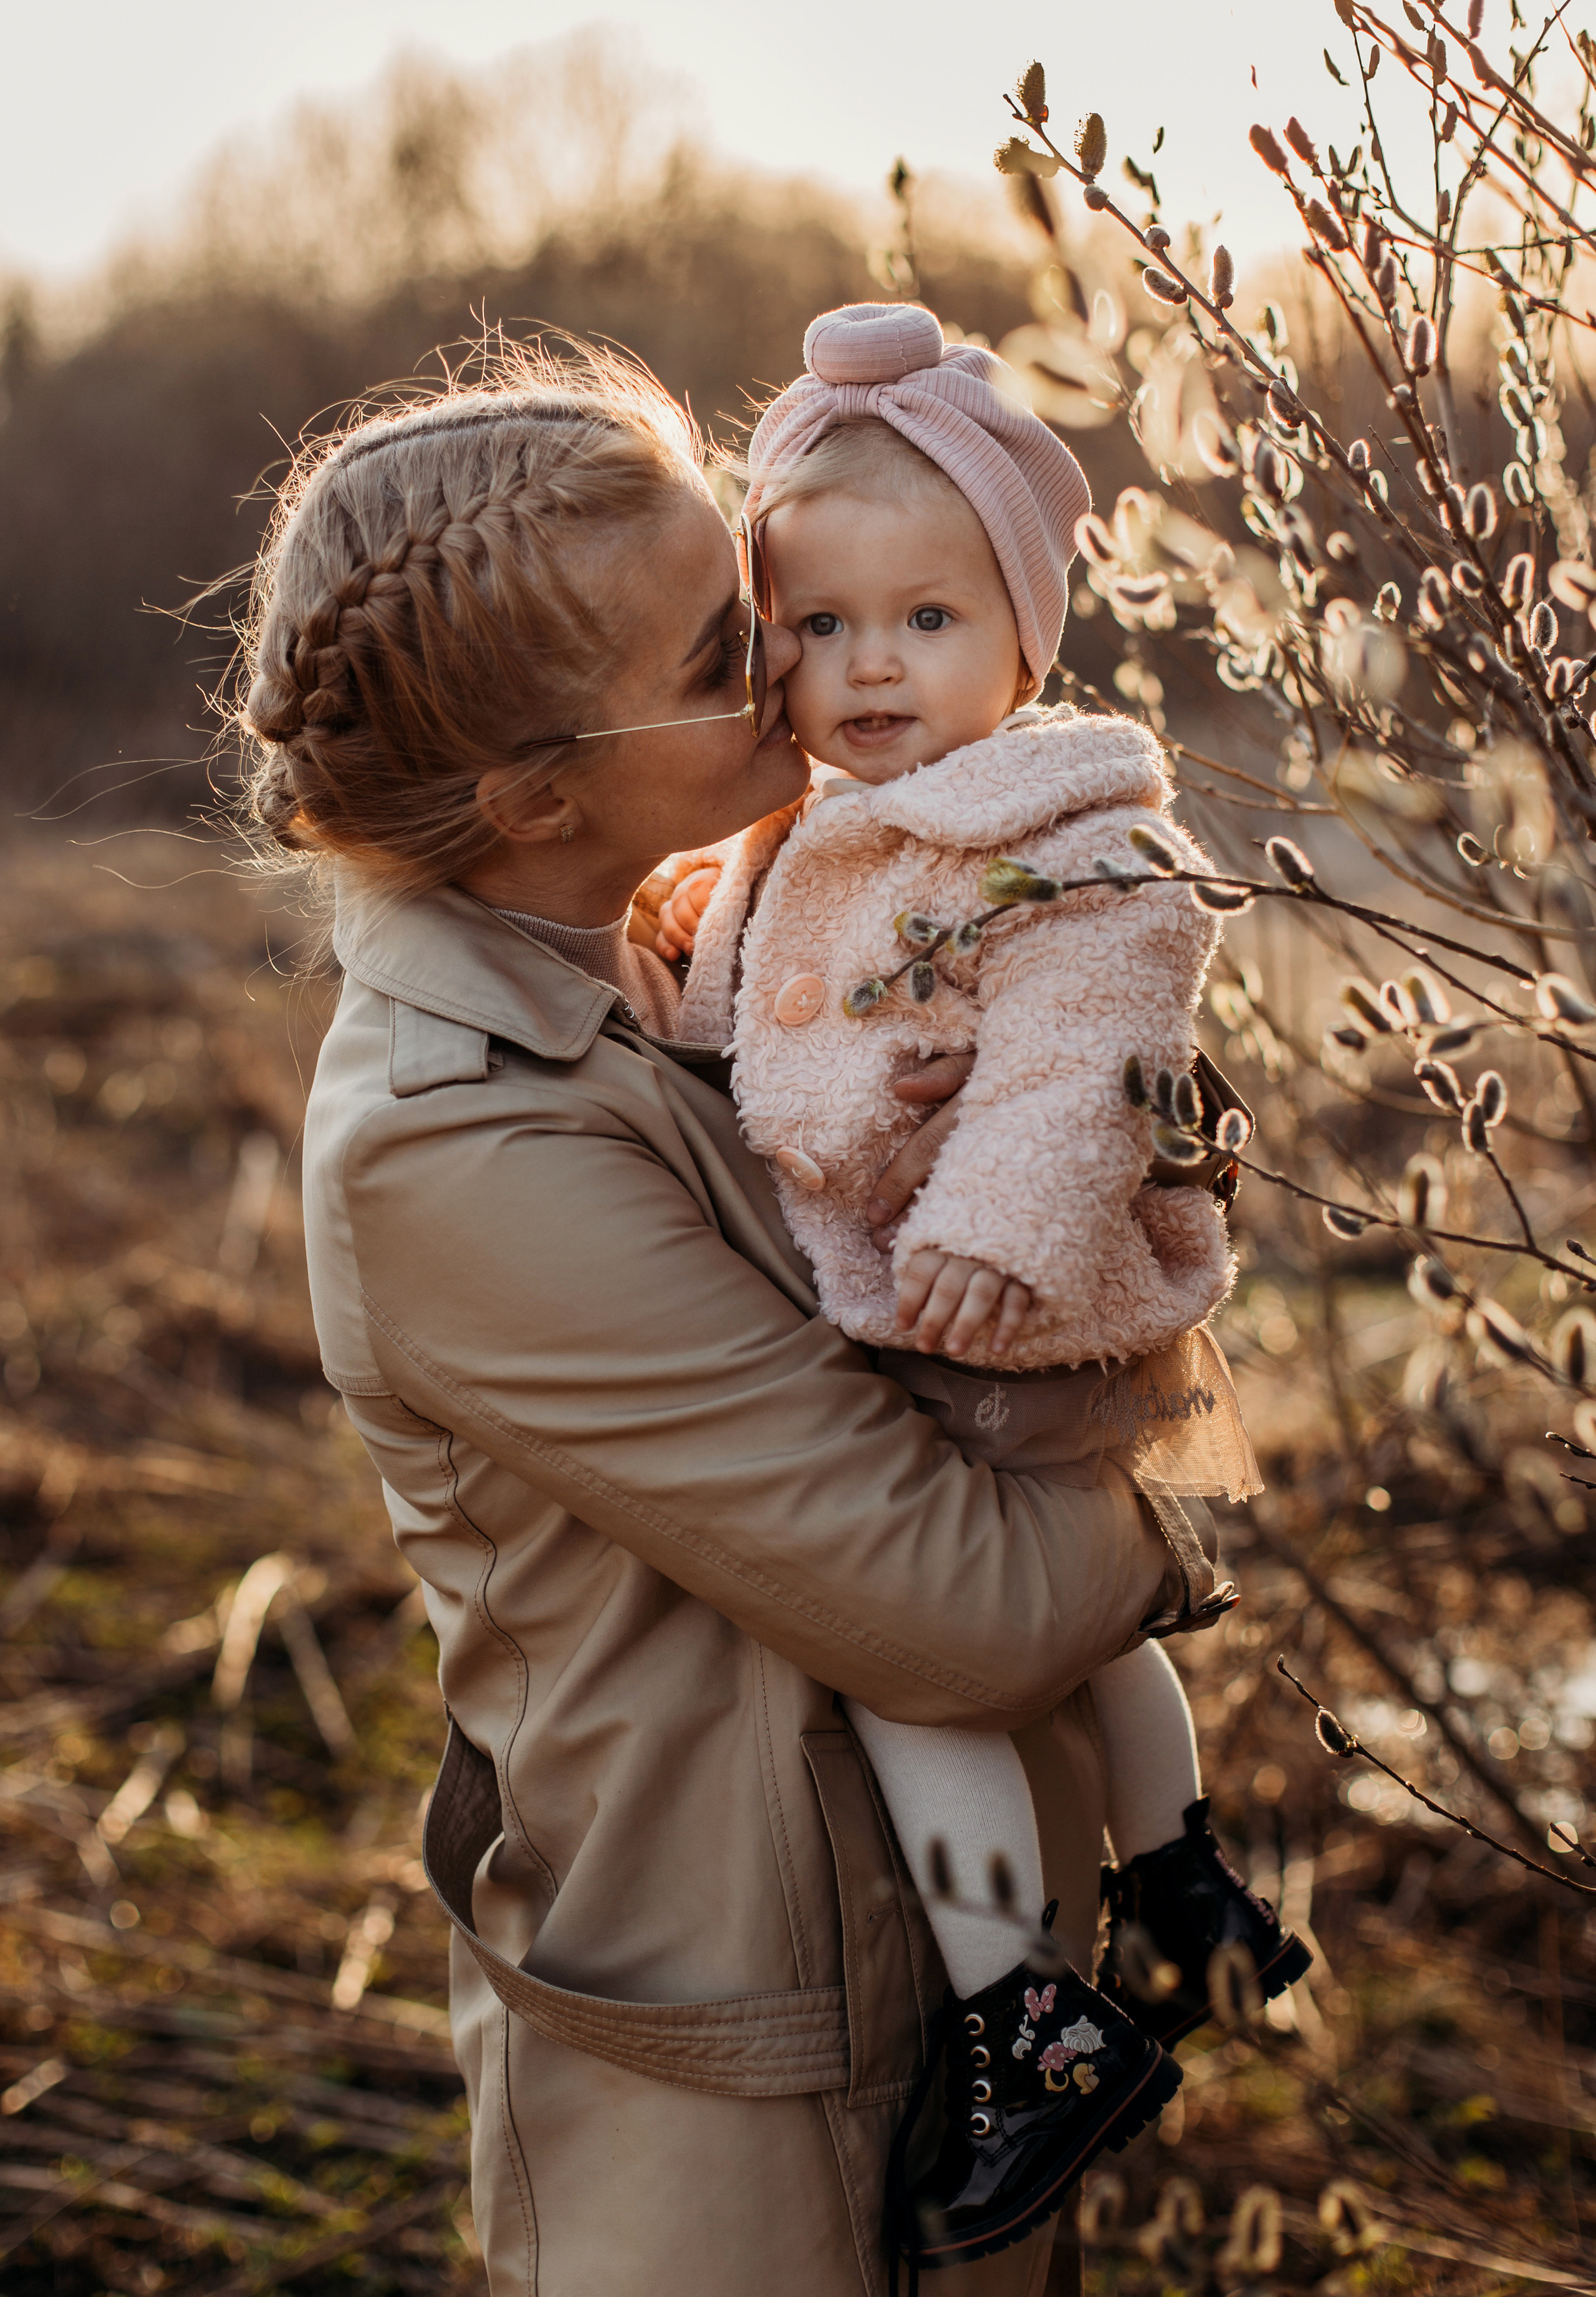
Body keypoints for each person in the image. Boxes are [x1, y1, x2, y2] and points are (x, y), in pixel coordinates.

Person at [238, 344, 1234, 2297]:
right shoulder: (455, 1145)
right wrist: (1136, 1398)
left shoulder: (699, 935)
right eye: (726, 655)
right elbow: (958, 1601)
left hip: (941, 1975)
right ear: (532, 795)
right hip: (743, 2075)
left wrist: (1044, 1142)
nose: (797, 674)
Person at [653, 302, 1310, 2270]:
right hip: (959, 1294)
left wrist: (991, 1232)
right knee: (1092, 1619)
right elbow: (740, 984)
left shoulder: (1069, 842)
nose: (866, 668)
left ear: (1027, 639)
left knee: (914, 1656)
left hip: (987, 1310)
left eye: (927, 623)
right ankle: (1183, 1879)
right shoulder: (815, 831)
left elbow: (1078, 1057)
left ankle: (1025, 2018)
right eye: (819, 623)